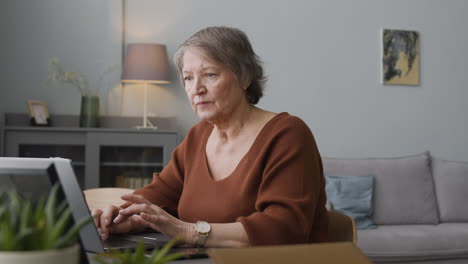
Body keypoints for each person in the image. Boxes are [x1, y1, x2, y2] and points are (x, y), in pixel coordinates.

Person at [93, 26, 329, 248]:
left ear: (245, 78)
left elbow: (283, 230)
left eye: (210, 75)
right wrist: (124, 217)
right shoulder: (199, 135)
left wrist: (187, 231)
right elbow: (159, 195)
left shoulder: (288, 134)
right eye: (188, 78)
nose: (197, 88)